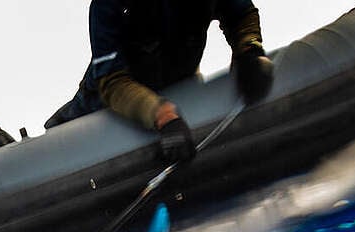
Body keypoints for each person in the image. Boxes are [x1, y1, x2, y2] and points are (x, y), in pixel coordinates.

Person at [45, 1, 275, 164]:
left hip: (181, 93)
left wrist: (249, 50)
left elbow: (241, 14)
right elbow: (112, 82)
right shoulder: (107, 5)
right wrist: (162, 115)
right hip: (100, 113)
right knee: (54, 145)